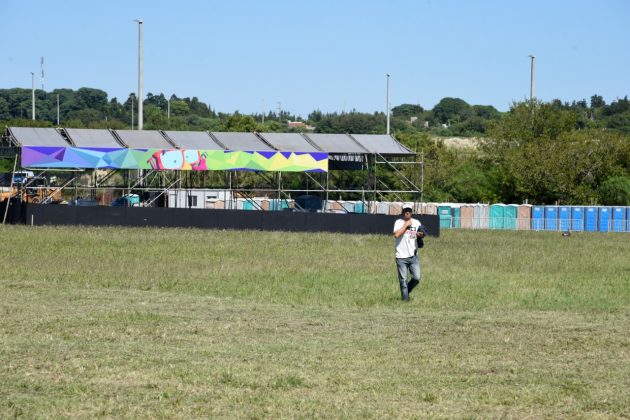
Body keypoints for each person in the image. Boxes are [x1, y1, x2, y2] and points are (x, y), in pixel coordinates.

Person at [392, 207, 425, 301]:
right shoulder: (398, 222)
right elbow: (396, 235)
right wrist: (406, 225)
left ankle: (407, 290)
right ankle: (405, 301)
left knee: (417, 278)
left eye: (409, 211)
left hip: (413, 256)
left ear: (411, 212)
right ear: (402, 212)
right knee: (403, 281)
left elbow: (422, 233)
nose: (407, 212)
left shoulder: (416, 222)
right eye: (405, 211)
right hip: (401, 256)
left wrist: (421, 235)